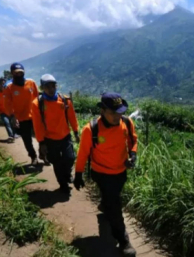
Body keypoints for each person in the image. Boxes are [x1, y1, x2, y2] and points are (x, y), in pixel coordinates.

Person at [73, 92, 138, 257]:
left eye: (120, 112)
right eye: (113, 113)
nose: (117, 116)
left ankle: (105, 204)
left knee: (112, 197)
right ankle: (123, 241)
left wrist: (133, 155)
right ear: (102, 111)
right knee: (115, 206)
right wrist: (78, 174)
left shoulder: (127, 123)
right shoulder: (91, 129)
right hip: (101, 173)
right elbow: (83, 153)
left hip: (120, 171)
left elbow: (133, 140)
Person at [31, 74, 80, 193]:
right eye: (47, 87)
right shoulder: (37, 104)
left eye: (53, 86)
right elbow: (37, 125)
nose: (51, 89)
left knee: (70, 158)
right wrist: (41, 142)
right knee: (56, 163)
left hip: (65, 136)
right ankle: (63, 184)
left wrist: (76, 132)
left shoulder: (64, 99)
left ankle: (67, 174)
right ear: (42, 88)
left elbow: (72, 117)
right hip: (50, 139)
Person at [4, 62, 39, 165]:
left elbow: (37, 98)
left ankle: (43, 154)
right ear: (12, 73)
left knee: (41, 136)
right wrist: (12, 117)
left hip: (35, 116)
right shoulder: (9, 87)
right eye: (16, 73)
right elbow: (7, 104)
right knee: (27, 140)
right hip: (21, 118)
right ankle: (33, 156)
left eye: (21, 72)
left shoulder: (31, 82)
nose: (19, 75)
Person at [0, 78, 16, 143]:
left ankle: (14, 135)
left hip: (11, 111)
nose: (2, 85)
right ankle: (11, 135)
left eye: (3, 83)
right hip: (2, 111)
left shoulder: (9, 90)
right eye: (0, 83)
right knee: (6, 122)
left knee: (12, 123)